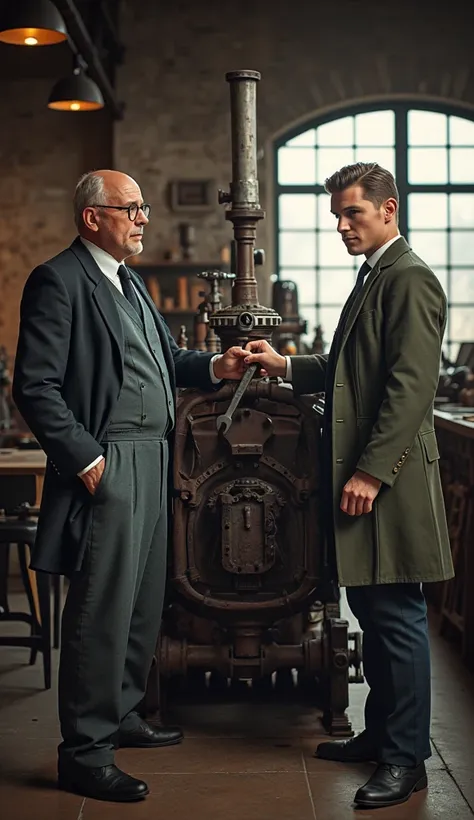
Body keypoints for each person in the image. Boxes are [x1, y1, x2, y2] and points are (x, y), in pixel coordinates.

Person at [12, 170, 248, 803]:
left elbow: (164, 361)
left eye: (144, 208)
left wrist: (213, 366)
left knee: (143, 600)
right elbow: (34, 386)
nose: (143, 218)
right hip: (108, 458)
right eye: (131, 208)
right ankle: (85, 751)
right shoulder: (58, 281)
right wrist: (87, 459)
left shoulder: (128, 280)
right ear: (93, 217)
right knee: (101, 609)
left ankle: (119, 713)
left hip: (154, 456)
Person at [243, 162, 454, 810]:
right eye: (336, 214)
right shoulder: (375, 276)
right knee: (370, 610)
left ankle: (406, 760)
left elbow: (410, 388)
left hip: (383, 483)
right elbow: (346, 370)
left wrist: (369, 471)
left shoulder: (410, 277)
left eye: (352, 213)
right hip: (363, 479)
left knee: (395, 619)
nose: (341, 226)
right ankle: (383, 734)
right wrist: (286, 365)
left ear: (389, 209)